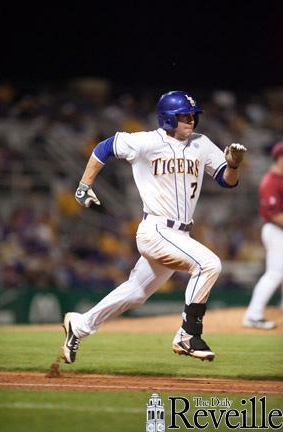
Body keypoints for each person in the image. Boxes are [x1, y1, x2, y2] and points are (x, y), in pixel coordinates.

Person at [62, 91, 247, 364]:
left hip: (180, 234)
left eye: (192, 115)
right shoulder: (146, 141)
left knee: (136, 293)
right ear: (168, 117)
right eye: (184, 116)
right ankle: (188, 334)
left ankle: (79, 325)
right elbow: (105, 146)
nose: (191, 120)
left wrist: (233, 165)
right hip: (156, 230)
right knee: (209, 264)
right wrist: (84, 185)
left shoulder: (202, 143)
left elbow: (226, 180)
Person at [243, 141, 283, 329]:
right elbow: (276, 216)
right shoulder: (270, 181)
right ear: (279, 158)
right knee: (275, 273)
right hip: (275, 230)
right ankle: (253, 314)